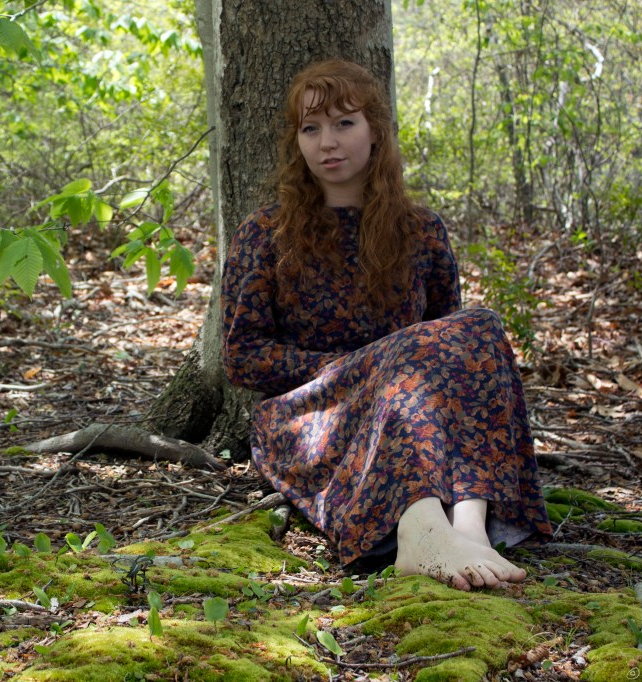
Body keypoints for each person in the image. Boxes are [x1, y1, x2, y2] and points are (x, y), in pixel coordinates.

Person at [220, 59, 551, 592]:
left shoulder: (420, 230)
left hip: (410, 413)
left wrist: (390, 365)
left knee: (479, 327)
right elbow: (241, 355)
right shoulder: (266, 233)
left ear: (375, 131)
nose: (327, 141)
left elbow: (456, 351)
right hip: (312, 417)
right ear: (296, 142)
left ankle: (470, 526)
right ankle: (421, 533)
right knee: (405, 355)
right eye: (311, 128)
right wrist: (359, 368)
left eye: (344, 123)